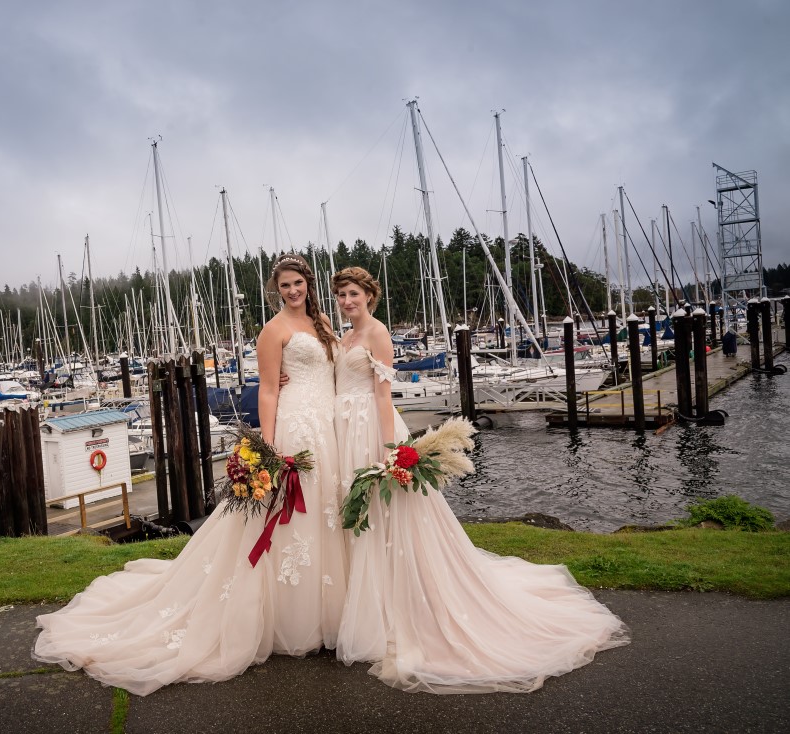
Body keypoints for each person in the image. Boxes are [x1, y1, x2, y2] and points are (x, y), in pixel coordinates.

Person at [32, 253, 346, 696]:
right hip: (296, 429)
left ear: (309, 284)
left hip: (327, 430)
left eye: (298, 284)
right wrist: (269, 447)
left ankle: (326, 608)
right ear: (277, 291)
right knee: (288, 518)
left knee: (324, 514)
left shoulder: (325, 326)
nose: (293, 291)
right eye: (285, 286)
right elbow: (271, 391)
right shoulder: (273, 331)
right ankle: (286, 616)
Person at [331, 266, 629, 694]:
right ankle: (365, 602)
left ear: (369, 296)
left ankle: (400, 606)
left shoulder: (377, 333)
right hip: (344, 431)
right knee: (365, 516)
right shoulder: (344, 337)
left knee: (391, 515)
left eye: (353, 294)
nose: (346, 301)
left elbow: (382, 395)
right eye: (341, 294)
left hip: (370, 431)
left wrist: (387, 448)